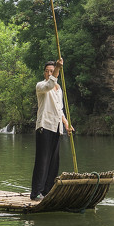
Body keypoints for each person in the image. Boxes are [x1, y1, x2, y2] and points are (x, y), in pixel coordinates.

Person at [32, 58, 73, 200]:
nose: (50, 73)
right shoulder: (41, 86)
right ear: (44, 73)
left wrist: (67, 124)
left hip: (56, 127)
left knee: (54, 162)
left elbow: (59, 109)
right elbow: (50, 84)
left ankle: (47, 192)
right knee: (42, 161)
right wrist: (58, 68)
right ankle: (36, 192)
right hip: (44, 125)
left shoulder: (59, 89)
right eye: (47, 71)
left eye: (52, 71)